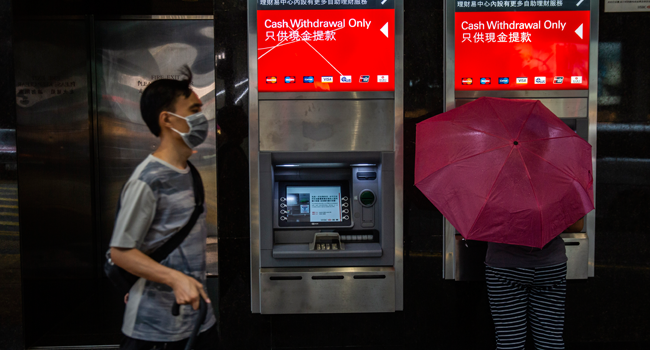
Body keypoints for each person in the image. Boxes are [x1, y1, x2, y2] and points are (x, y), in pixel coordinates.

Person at [109, 66, 217, 350]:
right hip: (153, 331)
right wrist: (174, 279)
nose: (201, 118)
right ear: (168, 119)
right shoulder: (147, 180)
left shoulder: (189, 172)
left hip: (197, 321)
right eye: (194, 110)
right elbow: (120, 252)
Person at [485, 218, 584, 350]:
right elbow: (576, 226)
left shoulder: (495, 196)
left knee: (509, 340)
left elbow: (483, 222)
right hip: (550, 266)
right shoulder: (554, 195)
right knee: (550, 339)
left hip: (506, 266)